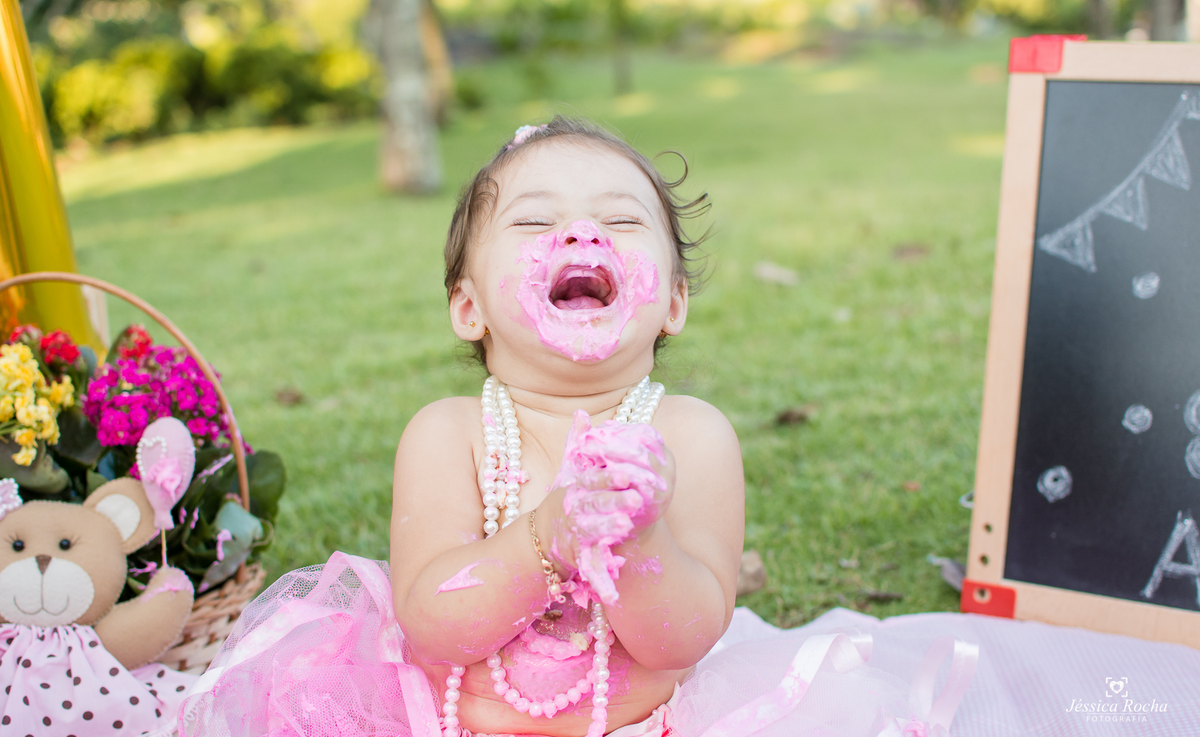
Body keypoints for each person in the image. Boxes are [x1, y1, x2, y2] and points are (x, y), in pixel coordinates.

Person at [179, 118, 1200, 737]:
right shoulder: (444, 432)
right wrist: (549, 538)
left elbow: (683, 634)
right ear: (466, 308)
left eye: (623, 222)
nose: (581, 232)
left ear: (669, 303)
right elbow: (435, 620)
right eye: (535, 222)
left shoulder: (691, 433)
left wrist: (639, 539)